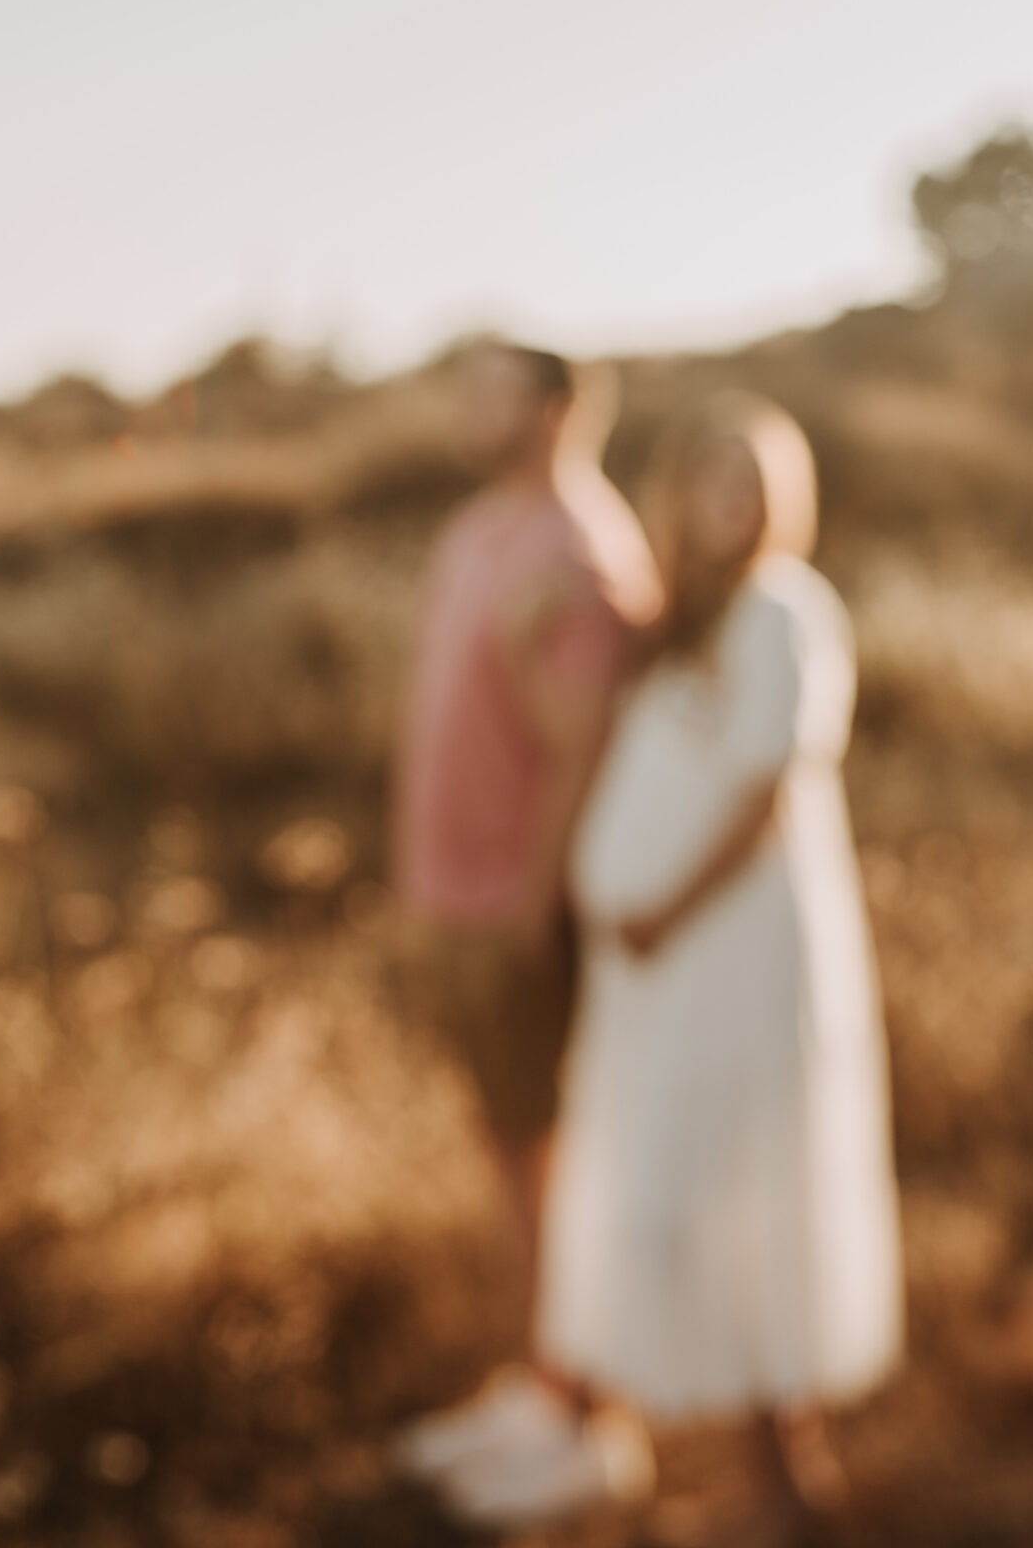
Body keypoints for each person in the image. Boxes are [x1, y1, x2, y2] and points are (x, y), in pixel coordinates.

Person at [459, 391, 904, 1542]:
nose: (728, 505)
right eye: (712, 480)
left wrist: (662, 908)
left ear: (780, 501)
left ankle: (786, 1480)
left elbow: (768, 791)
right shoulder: (681, 623)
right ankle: (676, 1446)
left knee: (749, 1177)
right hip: (653, 971)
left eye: (750, 486)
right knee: (668, 1187)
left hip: (730, 955)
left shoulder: (784, 612)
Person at [389, 337, 662, 1509]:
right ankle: (538, 1387)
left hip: (516, 906)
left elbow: (587, 745)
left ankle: (592, 1423)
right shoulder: (476, 531)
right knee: (510, 1163)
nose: (469, 409)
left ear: (556, 409)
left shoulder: (584, 547)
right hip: (447, 892)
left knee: (557, 1163)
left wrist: (533, 903)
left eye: (492, 392)